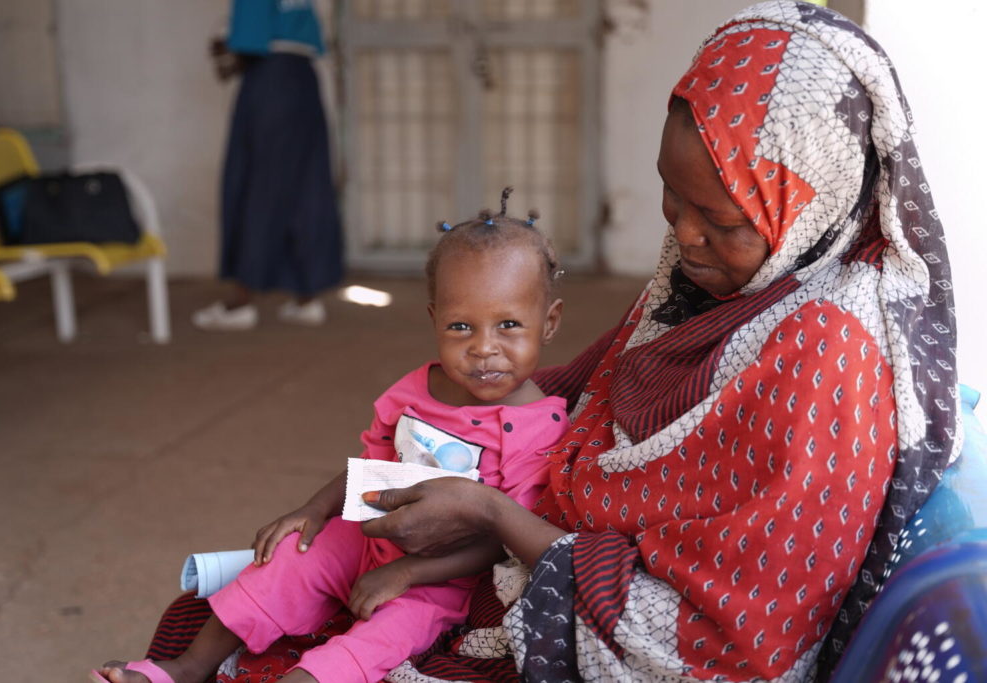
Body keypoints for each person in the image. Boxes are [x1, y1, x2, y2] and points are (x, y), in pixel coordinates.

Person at [140, 2, 959, 681]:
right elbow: (573, 386)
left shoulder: (823, 358)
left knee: (328, 638)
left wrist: (491, 514)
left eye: (723, 220)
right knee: (258, 590)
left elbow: (722, 637)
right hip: (531, 536)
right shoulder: (713, 284)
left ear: (808, 205)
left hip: (609, 622)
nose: (686, 237)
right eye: (673, 200)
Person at [92, 190, 569, 683]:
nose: (484, 348)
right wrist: (311, 512)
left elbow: (501, 540)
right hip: (363, 536)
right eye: (460, 327)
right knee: (286, 559)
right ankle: (187, 667)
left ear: (548, 322)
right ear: (434, 321)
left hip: (441, 579)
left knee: (379, 640)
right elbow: (369, 471)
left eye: (509, 325)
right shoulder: (418, 389)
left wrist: (407, 573)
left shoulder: (540, 426)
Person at [192, 0, 343, 331]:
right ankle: (307, 298)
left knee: (256, 187)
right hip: (304, 81)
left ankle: (241, 302)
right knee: (305, 189)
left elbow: (248, 40)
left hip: (271, 81)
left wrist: (226, 46)